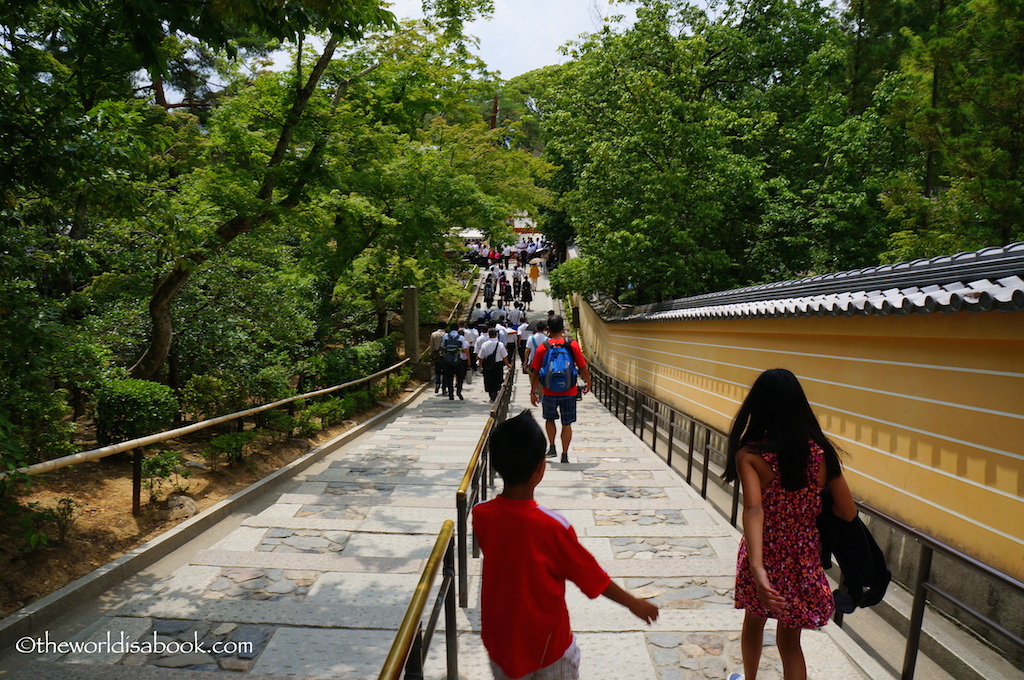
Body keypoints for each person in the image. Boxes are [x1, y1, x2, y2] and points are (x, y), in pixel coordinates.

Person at [474, 410, 659, 680]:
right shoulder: (551, 527)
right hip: (547, 644)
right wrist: (633, 603)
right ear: (541, 468)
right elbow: (591, 576)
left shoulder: (481, 514)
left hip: (500, 640)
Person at [723, 368, 857, 680]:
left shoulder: (751, 455)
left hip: (765, 551)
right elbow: (848, 512)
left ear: (758, 406)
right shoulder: (822, 453)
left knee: (754, 622)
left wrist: (758, 569)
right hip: (804, 555)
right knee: (790, 640)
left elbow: (754, 509)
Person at [529, 315, 591, 463]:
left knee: (550, 419)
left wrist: (533, 392)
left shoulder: (543, 347)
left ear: (548, 330)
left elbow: (535, 372)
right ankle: (565, 454)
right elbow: (582, 366)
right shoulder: (572, 344)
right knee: (566, 423)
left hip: (549, 391)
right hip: (569, 391)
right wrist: (588, 382)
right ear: (563, 328)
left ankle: (552, 447)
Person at [478, 328, 510, 402]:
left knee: (488, 379)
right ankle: (495, 393)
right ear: (496, 335)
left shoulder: (484, 344)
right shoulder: (500, 344)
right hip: (498, 365)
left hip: (487, 365)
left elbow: (481, 357)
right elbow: (504, 356)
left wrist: (480, 365)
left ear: (489, 335)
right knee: (497, 379)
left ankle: (491, 394)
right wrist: (507, 364)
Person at [439, 324, 468, 400]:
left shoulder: (445, 336)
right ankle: (458, 391)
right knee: (460, 377)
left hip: (447, 360)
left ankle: (451, 394)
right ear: (458, 329)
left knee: (449, 377)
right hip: (458, 360)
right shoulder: (461, 338)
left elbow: (441, 347)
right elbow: (465, 350)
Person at [428, 322, 447, 394]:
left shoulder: (433, 334)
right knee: (445, 372)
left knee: (437, 371)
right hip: (445, 355)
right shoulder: (446, 335)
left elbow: (431, 345)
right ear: (445, 327)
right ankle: (444, 387)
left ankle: (437, 384)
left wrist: (431, 354)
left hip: (436, 355)